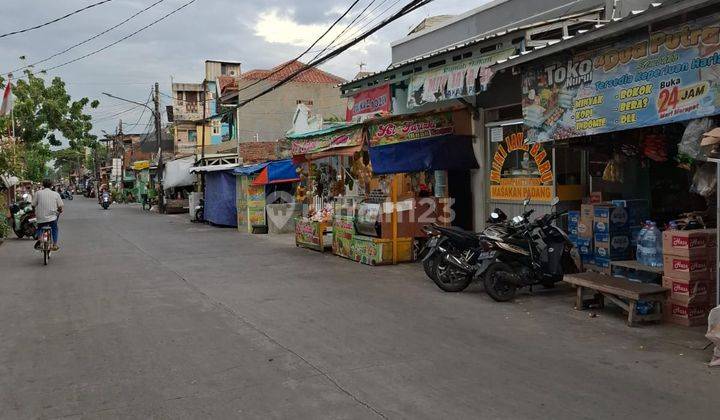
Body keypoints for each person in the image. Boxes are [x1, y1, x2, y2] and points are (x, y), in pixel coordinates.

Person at [32, 179, 63, 251]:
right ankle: (55, 244)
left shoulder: (38, 193)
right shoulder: (56, 194)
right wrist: (60, 211)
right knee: (54, 228)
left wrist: (34, 212)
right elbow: (60, 207)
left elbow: (33, 205)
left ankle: (40, 240)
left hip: (40, 217)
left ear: (43, 185)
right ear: (51, 185)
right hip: (52, 217)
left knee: (39, 227)